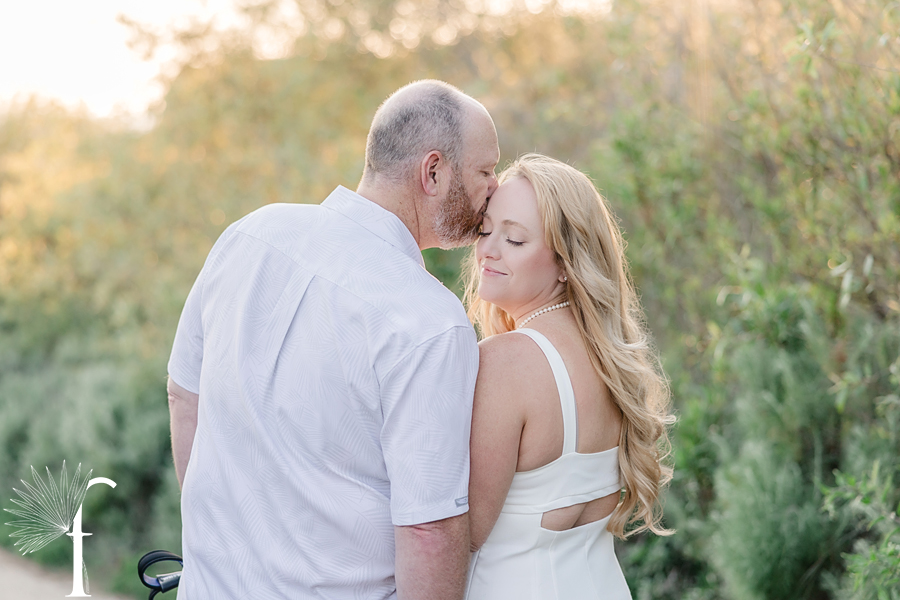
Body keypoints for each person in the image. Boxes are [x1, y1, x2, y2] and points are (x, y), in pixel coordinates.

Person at [166, 80, 500, 600]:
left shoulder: (250, 234)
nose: (493, 188)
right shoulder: (430, 321)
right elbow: (428, 527)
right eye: (485, 170)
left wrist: (225, 547)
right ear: (433, 172)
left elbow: (184, 394)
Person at [462, 154, 674, 599]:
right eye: (485, 230)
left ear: (565, 262)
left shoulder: (507, 362)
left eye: (514, 239)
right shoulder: (610, 361)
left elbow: (461, 533)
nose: (487, 250)